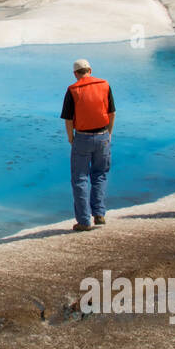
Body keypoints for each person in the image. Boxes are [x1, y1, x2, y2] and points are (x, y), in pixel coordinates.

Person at [61, 58, 115, 231]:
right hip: (103, 136)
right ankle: (99, 214)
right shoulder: (105, 84)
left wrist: (71, 138)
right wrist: (109, 133)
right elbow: (111, 112)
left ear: (75, 73)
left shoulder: (73, 89)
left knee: (80, 178)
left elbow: (68, 119)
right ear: (90, 70)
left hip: (82, 137)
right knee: (99, 174)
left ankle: (84, 221)